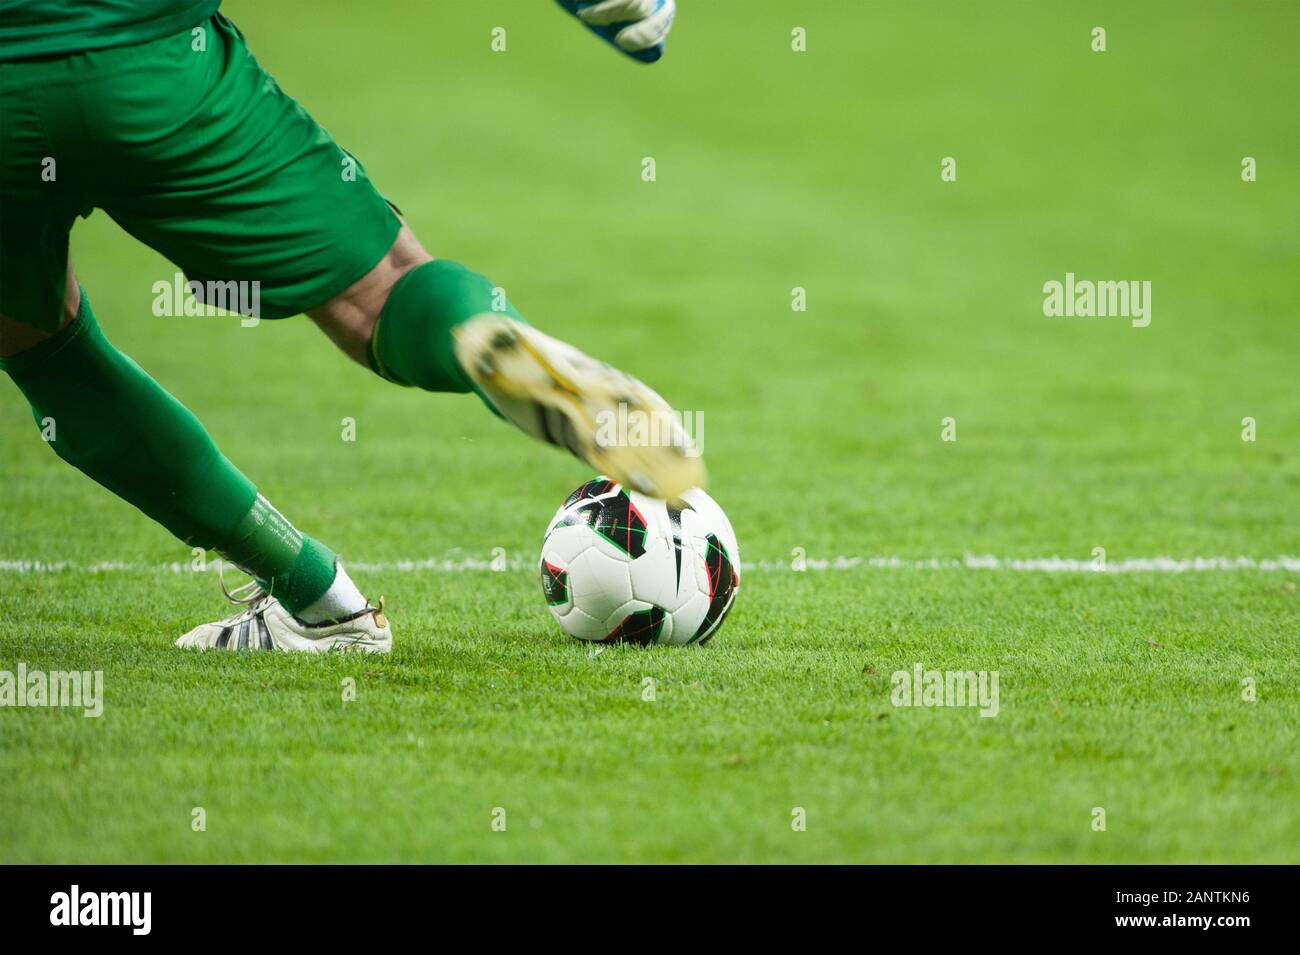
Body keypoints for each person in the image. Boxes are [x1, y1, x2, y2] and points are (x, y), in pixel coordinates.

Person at [0, 0, 692, 653]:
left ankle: (316, 598)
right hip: (158, 61)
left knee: (42, 350)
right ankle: (502, 344)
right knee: (384, 292)